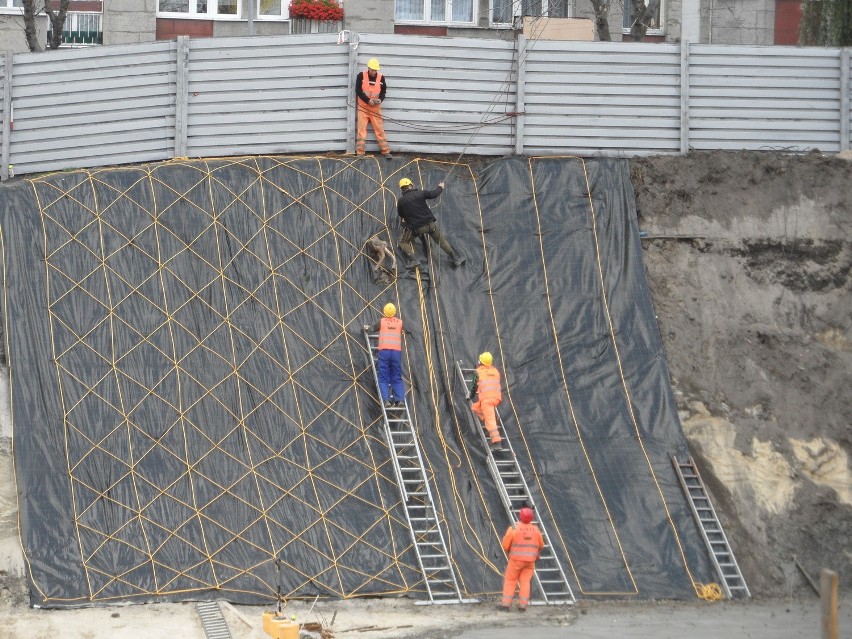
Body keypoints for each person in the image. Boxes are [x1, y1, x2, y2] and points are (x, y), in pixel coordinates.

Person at [397, 177, 465, 270]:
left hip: (417, 229)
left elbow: (401, 214)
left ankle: (413, 260)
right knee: (441, 240)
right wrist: (440, 187)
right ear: (411, 185)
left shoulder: (401, 201)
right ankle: (455, 258)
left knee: (403, 242)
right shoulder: (421, 193)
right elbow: (434, 194)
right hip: (430, 225)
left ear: (402, 189)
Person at [499, 506, 543, 612]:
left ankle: (506, 604)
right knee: (525, 582)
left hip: (516, 561)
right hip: (530, 562)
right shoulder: (536, 530)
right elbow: (541, 545)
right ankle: (523, 605)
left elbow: (505, 546)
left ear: (520, 516)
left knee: (510, 580)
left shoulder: (514, 529)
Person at [364, 303, 405, 408]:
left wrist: (366, 328)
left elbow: (370, 329)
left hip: (384, 352)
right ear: (395, 312)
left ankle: (386, 400)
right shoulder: (400, 323)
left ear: (385, 312)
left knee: (383, 377)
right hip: (396, 353)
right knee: (396, 377)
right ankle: (399, 400)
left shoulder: (381, 322)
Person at [354, 58, 392, 159]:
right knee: (361, 130)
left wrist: (380, 99)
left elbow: (383, 92)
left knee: (379, 129)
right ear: (368, 68)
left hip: (375, 108)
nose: (373, 72)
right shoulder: (361, 76)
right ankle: (360, 152)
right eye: (372, 70)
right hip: (363, 108)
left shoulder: (381, 77)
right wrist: (368, 100)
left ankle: (385, 151)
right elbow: (358, 90)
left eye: (375, 70)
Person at [468, 351, 503, 449]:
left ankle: (496, 442)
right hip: (496, 398)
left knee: (490, 421)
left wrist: (470, 395)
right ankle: (489, 416)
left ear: (480, 361)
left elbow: (474, 386)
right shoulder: (495, 371)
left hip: (486, 400)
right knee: (475, 407)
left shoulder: (478, 372)